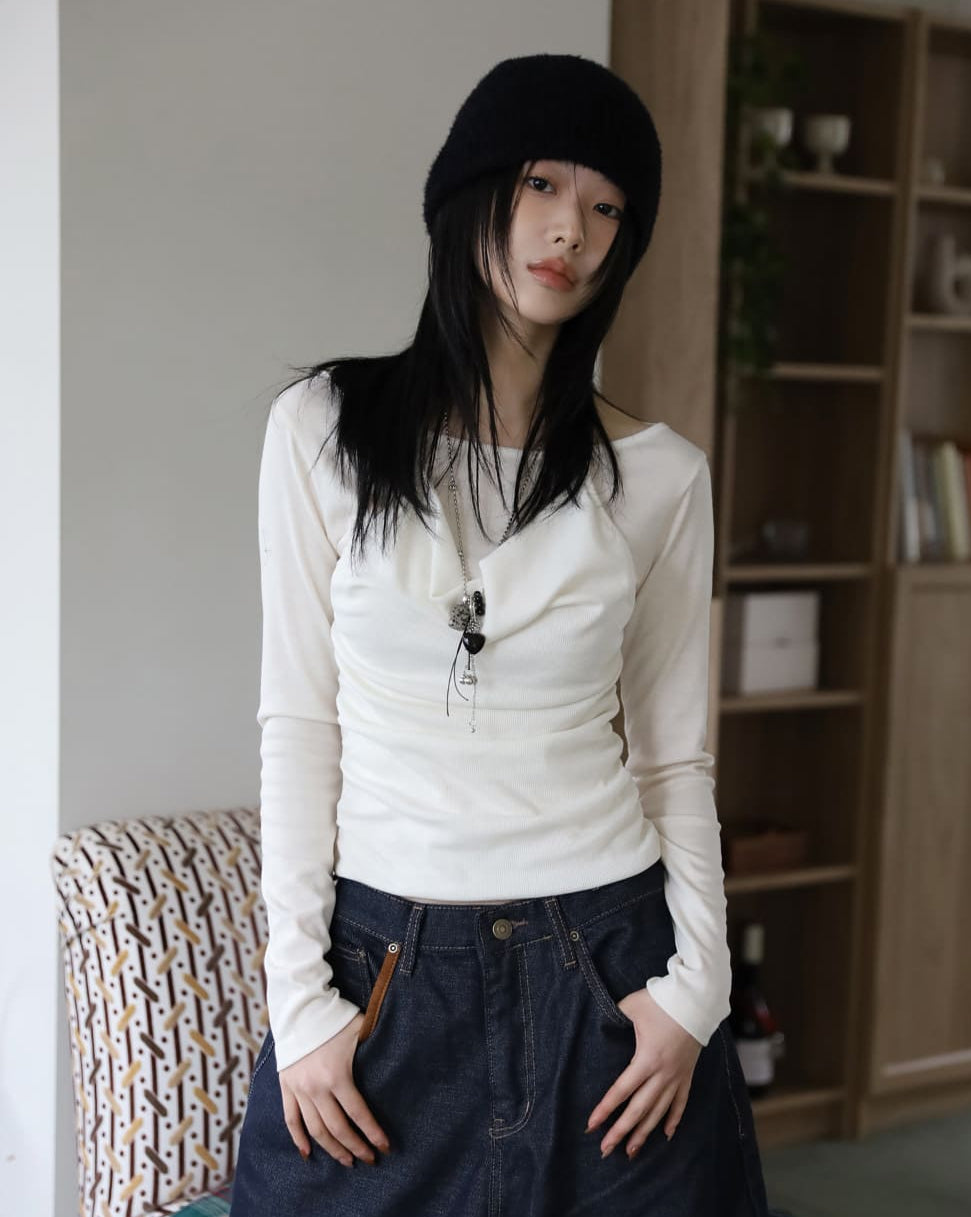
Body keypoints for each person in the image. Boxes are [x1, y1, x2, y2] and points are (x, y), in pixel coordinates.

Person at [230, 52, 771, 1216]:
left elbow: (673, 758)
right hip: (385, 966)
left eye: (608, 208)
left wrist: (698, 989)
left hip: (609, 961)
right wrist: (298, 1003)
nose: (571, 229)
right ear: (471, 193)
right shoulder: (319, 430)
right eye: (541, 185)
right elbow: (299, 723)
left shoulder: (660, 479)